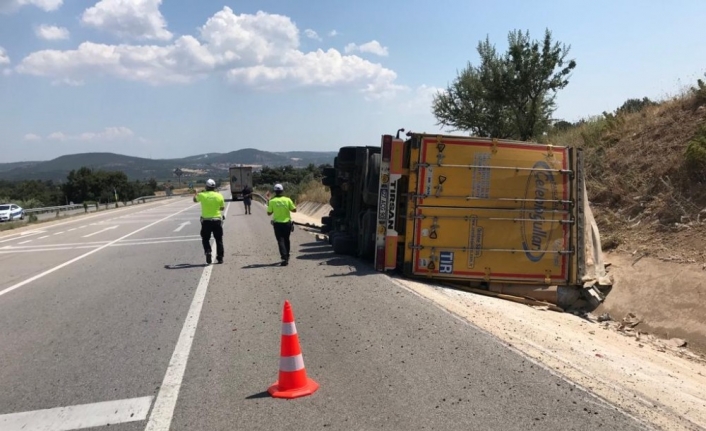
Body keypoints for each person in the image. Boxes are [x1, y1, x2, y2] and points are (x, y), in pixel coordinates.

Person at [193, 179, 225, 265]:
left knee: (205, 238)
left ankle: (208, 252)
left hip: (206, 221)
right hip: (217, 220)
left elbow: (195, 200)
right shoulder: (219, 195)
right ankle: (220, 258)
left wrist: (196, 192)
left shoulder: (202, 195)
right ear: (214, 187)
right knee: (219, 239)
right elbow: (222, 208)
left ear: (206, 187)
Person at [266, 183, 296, 266]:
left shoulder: (272, 201)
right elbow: (294, 210)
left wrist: (269, 201)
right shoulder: (287, 199)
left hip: (277, 224)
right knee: (287, 239)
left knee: (280, 241)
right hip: (287, 223)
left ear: (275, 191)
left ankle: (284, 257)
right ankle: (287, 255)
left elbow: (269, 213)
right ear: (282, 191)